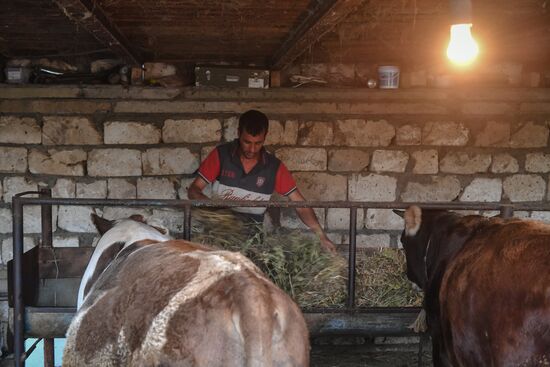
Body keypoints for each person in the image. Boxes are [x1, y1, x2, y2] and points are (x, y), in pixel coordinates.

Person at [188, 109, 336, 254]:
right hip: (217, 239)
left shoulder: (273, 167)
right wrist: (214, 212)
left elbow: (301, 206)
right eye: (247, 142)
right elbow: (194, 190)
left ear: (265, 137)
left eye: (258, 143)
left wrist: (321, 236)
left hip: (252, 245)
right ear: (239, 133)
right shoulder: (221, 155)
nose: (252, 149)